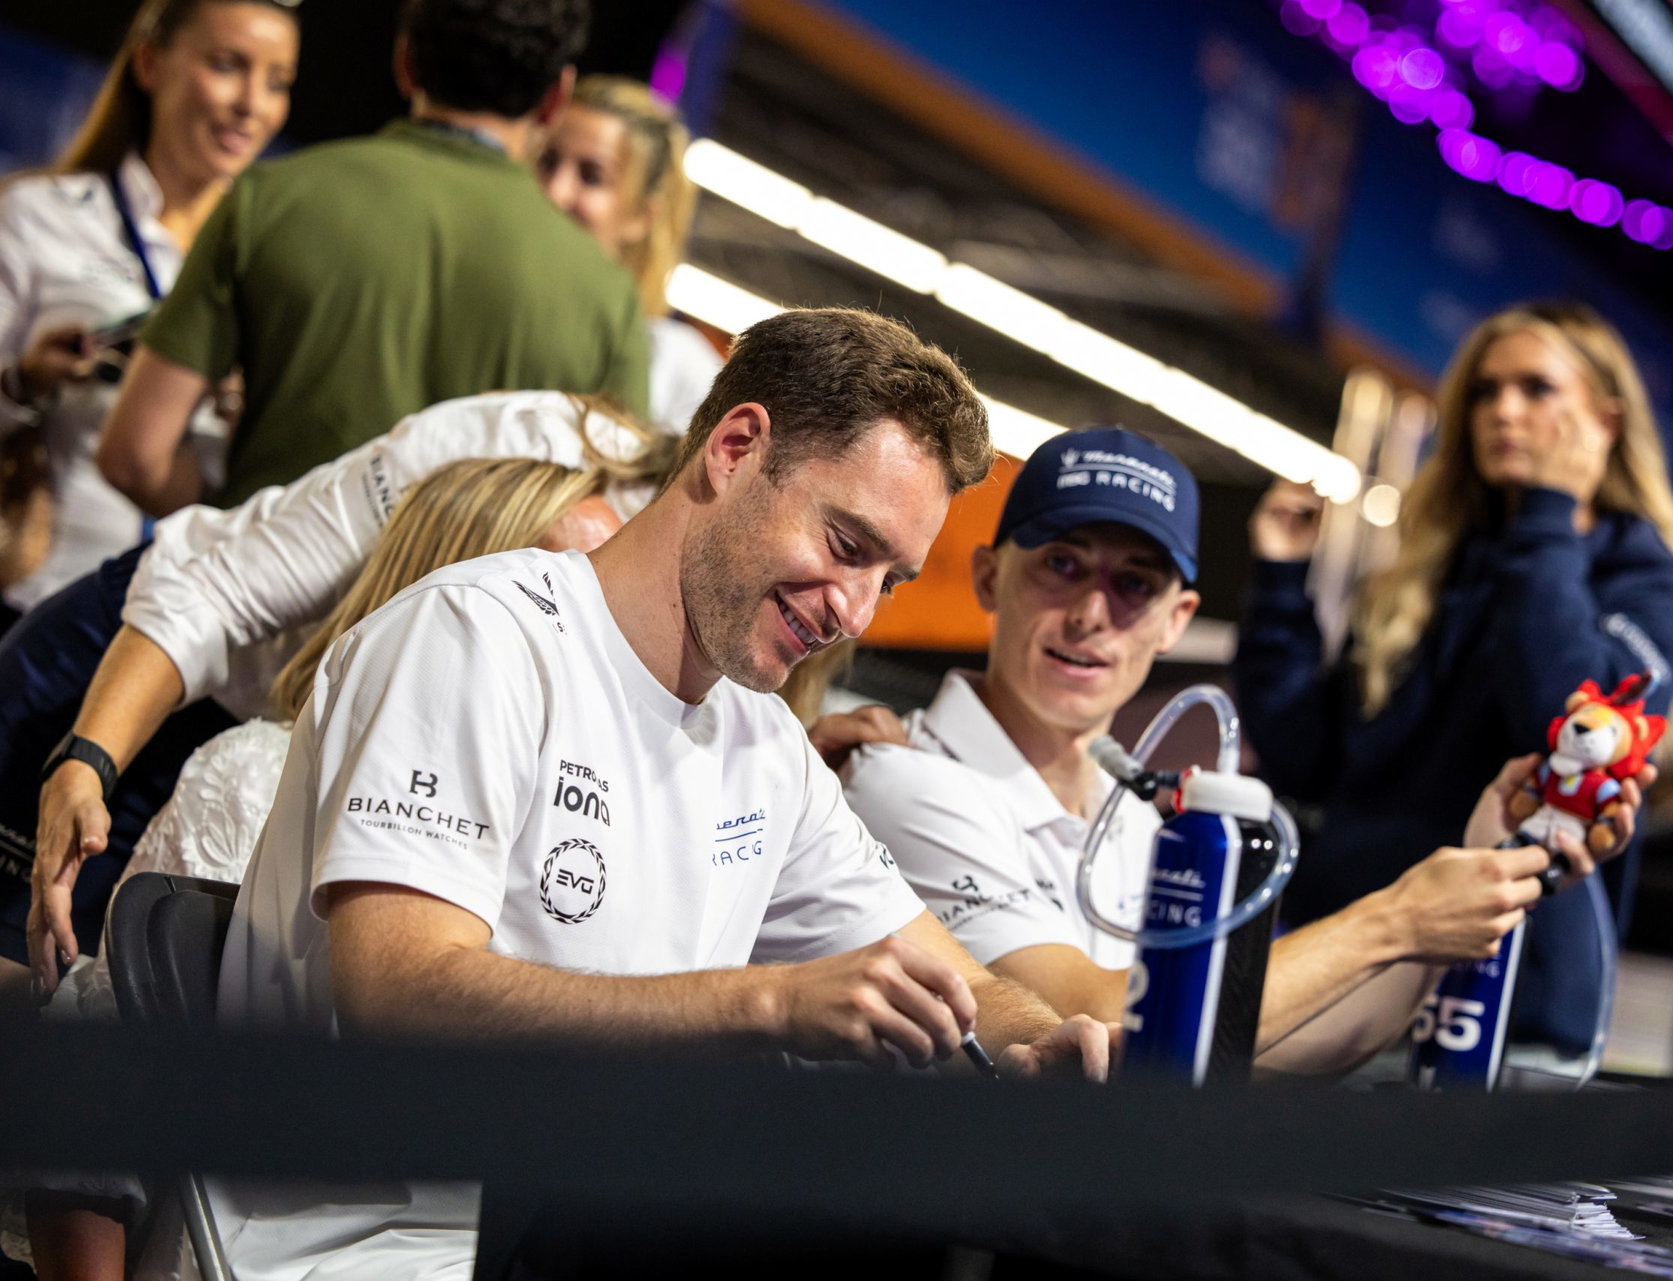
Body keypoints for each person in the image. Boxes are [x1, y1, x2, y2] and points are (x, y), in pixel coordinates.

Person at [212, 307, 1109, 1278]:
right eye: (848, 545)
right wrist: (767, 1003)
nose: (855, 613)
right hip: (355, 1253)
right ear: (735, 448)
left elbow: (961, 987)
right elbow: (397, 993)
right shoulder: (477, 640)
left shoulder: (764, 743)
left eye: (888, 580)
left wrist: (1038, 1045)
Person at [842, 427, 1649, 1074]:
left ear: (1176, 619)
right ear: (989, 577)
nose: (1091, 613)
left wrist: (1476, 878)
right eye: (1061, 564)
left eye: (1135, 583)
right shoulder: (905, 783)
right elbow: (1102, 1025)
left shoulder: (1134, 819)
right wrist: (1398, 916)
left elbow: (1254, 1049)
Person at [13, 456, 619, 1281]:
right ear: (463, 589)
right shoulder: (256, 776)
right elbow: (102, 1066)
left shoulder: (564, 834)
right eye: (562, 585)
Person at [2, 390, 670, 1008]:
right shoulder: (536, 447)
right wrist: (85, 761)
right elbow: (212, 591)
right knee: (43, 963)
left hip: (295, 724)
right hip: (124, 666)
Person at [1234, 301, 1673, 1056]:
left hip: (1502, 1008)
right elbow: (1306, 755)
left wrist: (1549, 512)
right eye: (1486, 392)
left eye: (1537, 389)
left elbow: (1563, 725)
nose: (1504, 411)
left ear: (1605, 423)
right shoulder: (1429, 572)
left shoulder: (1647, 582)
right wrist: (1278, 584)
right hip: (1349, 968)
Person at [94, 0, 651, 517]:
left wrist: (243, 527)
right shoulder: (608, 300)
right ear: (556, 96)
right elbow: (609, 527)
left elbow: (135, 457)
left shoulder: (270, 200)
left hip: (243, 586)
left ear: (404, 61)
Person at [0, 0, 298, 625]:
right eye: (227, 65)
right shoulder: (38, 214)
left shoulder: (278, 263)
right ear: (150, 64)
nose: (252, 104)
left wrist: (246, 409)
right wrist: (26, 383)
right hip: (34, 599)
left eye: (277, 82)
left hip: (176, 631)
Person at [535, 75, 723, 434]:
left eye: (591, 176)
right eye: (547, 160)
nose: (556, 192)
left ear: (642, 216)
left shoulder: (677, 369)